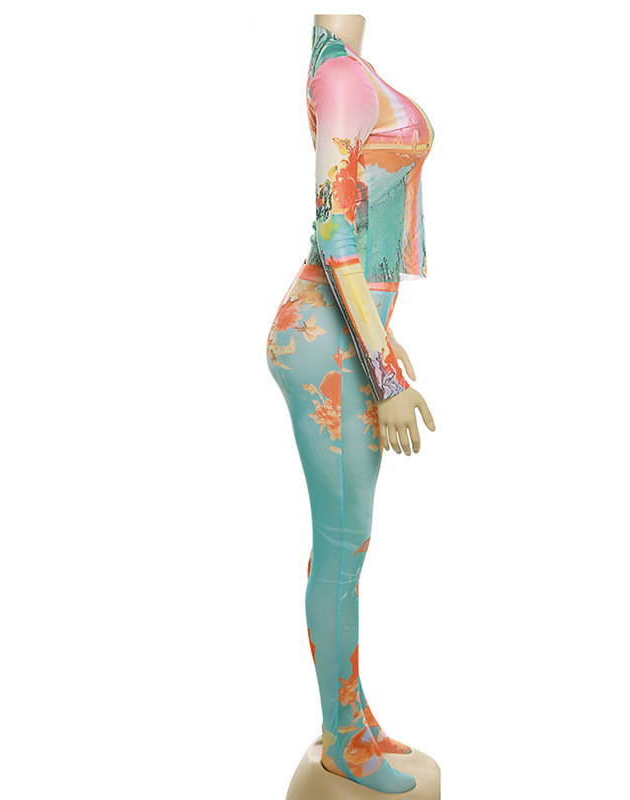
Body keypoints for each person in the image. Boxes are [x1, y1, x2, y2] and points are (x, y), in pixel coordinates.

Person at [265, 15, 435, 794]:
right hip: (324, 346)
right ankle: (341, 742)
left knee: (348, 548)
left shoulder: (348, 71)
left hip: (347, 339)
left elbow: (359, 217)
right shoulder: (338, 78)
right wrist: (385, 378)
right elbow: (333, 227)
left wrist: (383, 341)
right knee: (342, 547)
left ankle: (354, 717)